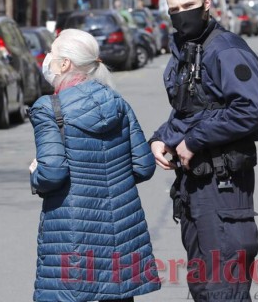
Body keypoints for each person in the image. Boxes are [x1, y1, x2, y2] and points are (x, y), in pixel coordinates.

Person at [149, 0, 258, 301]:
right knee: (203, 289)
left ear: (206, 3)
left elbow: (251, 109)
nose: (181, 14)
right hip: (195, 192)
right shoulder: (187, 53)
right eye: (174, 9)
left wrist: (194, 141)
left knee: (225, 291)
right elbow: (190, 111)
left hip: (224, 190)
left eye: (188, 6)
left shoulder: (226, 50)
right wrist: (163, 139)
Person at [28, 29, 161, 302]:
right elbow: (143, 166)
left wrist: (35, 173)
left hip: (72, 234)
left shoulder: (49, 108)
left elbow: (52, 172)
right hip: (122, 235)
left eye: (52, 54)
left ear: (65, 63)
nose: (47, 61)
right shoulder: (117, 102)